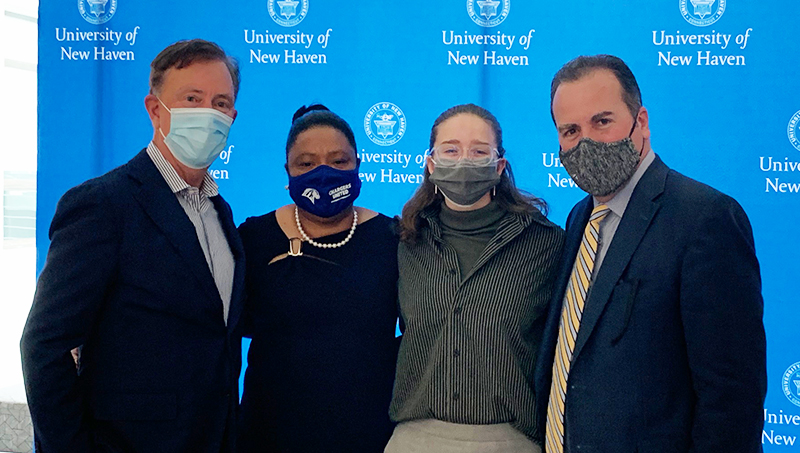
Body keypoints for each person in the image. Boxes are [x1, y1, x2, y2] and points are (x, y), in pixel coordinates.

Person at [20, 39, 245, 453]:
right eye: (192, 98)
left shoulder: (221, 213)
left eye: (220, 102)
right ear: (156, 110)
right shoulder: (103, 204)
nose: (208, 113)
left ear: (231, 116)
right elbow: (44, 346)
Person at [535, 54, 767, 453]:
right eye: (570, 130)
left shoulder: (705, 219)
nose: (585, 141)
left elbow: (731, 398)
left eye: (602, 121)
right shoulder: (579, 218)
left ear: (641, 122)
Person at [386, 104, 565, 452]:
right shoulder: (406, 240)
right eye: (451, 150)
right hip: (415, 438)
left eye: (479, 151)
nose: (464, 161)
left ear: (499, 166)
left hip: (509, 440)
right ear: (431, 163)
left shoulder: (546, 244)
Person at [237, 105, 399, 453]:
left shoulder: (395, 238)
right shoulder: (253, 238)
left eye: (339, 161)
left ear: (358, 164)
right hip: (267, 435)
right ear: (288, 171)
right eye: (306, 164)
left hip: (370, 436)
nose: (323, 174)